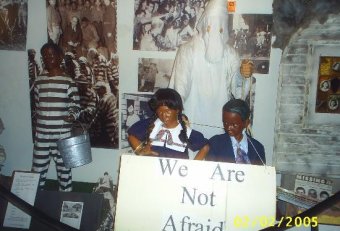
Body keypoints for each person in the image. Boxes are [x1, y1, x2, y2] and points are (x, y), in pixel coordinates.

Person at [169, 0, 240, 139]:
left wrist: (244, 75)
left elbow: (238, 91)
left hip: (221, 121)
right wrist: (179, 115)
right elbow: (180, 87)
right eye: (210, 25)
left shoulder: (231, 54)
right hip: (191, 117)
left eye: (219, 27)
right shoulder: (188, 50)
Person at [31, 42, 81, 191]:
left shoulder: (68, 82)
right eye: (45, 55)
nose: (48, 58)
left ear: (59, 57)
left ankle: (65, 201)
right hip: (42, 135)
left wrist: (72, 116)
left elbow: (76, 106)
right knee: (37, 169)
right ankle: (33, 201)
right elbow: (37, 104)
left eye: (51, 54)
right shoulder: (39, 81)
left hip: (62, 134)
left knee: (64, 170)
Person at [127, 88, 209, 159]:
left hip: (175, 175)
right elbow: (132, 135)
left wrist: (192, 167)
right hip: (152, 172)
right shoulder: (152, 124)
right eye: (160, 111)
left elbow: (205, 147)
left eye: (167, 111)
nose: (163, 115)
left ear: (177, 110)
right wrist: (140, 151)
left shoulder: (186, 132)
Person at [198, 99, 266, 165]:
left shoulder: (257, 148)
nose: (228, 127)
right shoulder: (215, 144)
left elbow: (261, 175)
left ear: (246, 123)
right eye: (225, 123)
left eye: (234, 124)